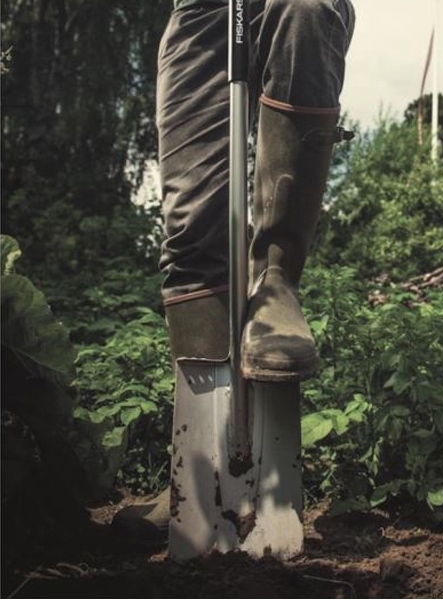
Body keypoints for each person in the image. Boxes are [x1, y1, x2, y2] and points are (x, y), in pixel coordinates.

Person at [112, 0, 355, 543]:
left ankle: (276, 278)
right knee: (192, 223)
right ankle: (198, 464)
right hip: (201, 9)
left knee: (307, 11)